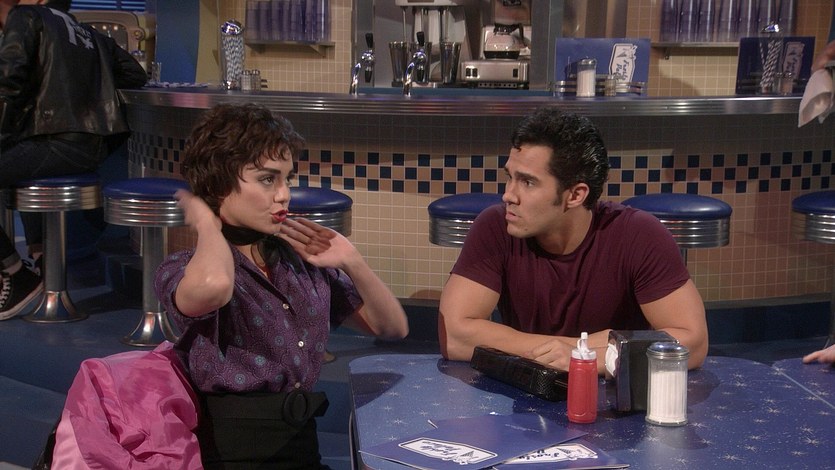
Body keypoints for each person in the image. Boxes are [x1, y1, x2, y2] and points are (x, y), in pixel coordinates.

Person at [154, 103, 409, 468]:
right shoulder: (180, 268)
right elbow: (215, 287)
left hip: (301, 446)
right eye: (267, 179)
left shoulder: (297, 262)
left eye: (287, 178)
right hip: (234, 456)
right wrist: (207, 223)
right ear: (219, 183)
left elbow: (392, 327)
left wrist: (352, 260)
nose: (284, 194)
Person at [438, 107, 708, 374]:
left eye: (528, 182)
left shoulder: (639, 234)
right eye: (510, 177)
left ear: (576, 195)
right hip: (525, 388)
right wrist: (581, 346)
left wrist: (583, 357)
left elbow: (692, 343)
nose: (508, 195)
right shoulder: (496, 226)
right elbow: (455, 336)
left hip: (613, 392)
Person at [0, 0, 147, 320]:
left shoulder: (25, 16)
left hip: (55, 142)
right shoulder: (85, 31)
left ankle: (15, 275)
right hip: (89, 146)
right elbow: (135, 74)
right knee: (20, 165)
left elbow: (8, 83)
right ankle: (42, 261)